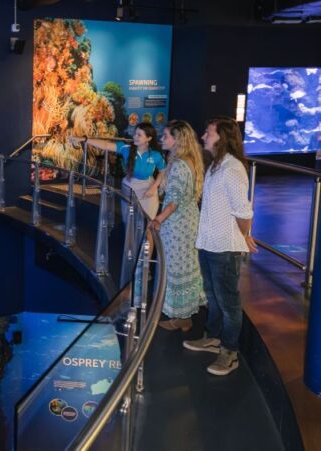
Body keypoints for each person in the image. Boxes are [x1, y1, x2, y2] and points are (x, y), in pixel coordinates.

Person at [182, 117, 258, 376]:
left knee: (228, 302)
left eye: (208, 132)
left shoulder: (232, 169)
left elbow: (243, 210)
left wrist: (244, 236)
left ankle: (230, 351)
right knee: (213, 297)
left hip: (224, 247)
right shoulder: (216, 165)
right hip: (209, 244)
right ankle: (213, 337)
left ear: (221, 138)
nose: (203, 136)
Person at [149, 120, 207, 332]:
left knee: (173, 268)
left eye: (166, 136)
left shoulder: (179, 166)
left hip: (177, 227)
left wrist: (157, 220)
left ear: (178, 140)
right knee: (184, 267)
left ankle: (180, 316)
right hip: (188, 222)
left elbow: (172, 202)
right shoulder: (188, 161)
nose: (162, 139)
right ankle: (183, 317)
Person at [69, 122, 167, 220]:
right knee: (130, 221)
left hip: (148, 192)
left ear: (149, 138)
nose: (135, 137)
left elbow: (163, 171)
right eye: (135, 134)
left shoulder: (156, 154)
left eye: (139, 135)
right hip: (130, 190)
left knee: (148, 223)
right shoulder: (126, 149)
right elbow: (105, 145)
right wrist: (84, 139)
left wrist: (154, 187)